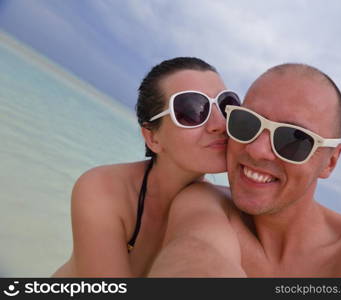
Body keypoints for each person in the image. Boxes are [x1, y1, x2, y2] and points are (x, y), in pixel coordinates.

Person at [149, 63, 341, 277]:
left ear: (331, 161)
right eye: (246, 123)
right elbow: (197, 252)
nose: (257, 150)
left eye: (294, 139)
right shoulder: (204, 203)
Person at [52, 57, 240, 277]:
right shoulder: (104, 190)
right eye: (192, 110)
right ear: (152, 137)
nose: (220, 124)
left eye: (227, 106)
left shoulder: (223, 209)